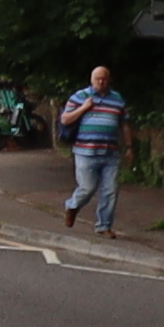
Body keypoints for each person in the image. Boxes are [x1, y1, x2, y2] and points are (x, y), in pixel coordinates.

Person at [56, 64, 129, 232]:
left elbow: (124, 124)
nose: (101, 82)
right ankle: (72, 206)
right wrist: (84, 108)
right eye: (98, 79)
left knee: (110, 191)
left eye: (104, 79)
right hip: (85, 152)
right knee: (87, 188)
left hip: (111, 152)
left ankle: (104, 225)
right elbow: (65, 120)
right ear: (91, 80)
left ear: (109, 80)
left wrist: (129, 147)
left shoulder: (117, 99)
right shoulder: (80, 96)